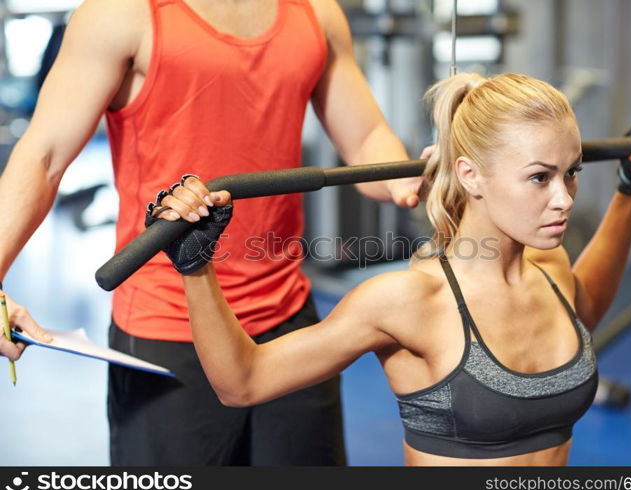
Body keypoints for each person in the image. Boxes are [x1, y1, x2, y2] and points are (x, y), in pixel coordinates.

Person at [148, 72, 631, 466]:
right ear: (470, 175)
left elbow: (582, 309)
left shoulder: (549, 267)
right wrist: (196, 267)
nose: (563, 198)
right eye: (540, 178)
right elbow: (244, 383)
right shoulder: (407, 302)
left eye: (572, 173)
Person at [0, 0, 422, 465]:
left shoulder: (316, 12)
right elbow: (43, 158)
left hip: (288, 319)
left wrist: (409, 179)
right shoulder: (121, 13)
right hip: (169, 326)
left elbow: (365, 138)